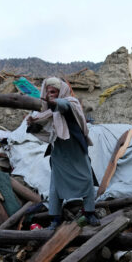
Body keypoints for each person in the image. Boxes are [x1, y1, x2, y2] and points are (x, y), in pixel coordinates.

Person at [27, 77, 99, 230]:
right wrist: (33, 123)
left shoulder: (71, 103)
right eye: (48, 92)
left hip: (76, 149)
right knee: (56, 186)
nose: (50, 94)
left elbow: (63, 106)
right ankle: (55, 219)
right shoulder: (46, 111)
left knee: (86, 179)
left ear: (61, 92)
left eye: (53, 92)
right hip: (59, 151)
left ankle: (90, 213)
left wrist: (53, 103)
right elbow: (43, 128)